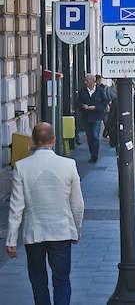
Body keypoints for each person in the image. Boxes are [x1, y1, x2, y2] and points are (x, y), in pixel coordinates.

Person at [6, 122, 84, 305]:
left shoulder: (21, 167)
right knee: (62, 280)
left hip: (34, 233)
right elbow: (78, 204)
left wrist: (11, 239)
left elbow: (16, 206)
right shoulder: (69, 164)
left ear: (33, 140)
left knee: (38, 280)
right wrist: (76, 231)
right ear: (54, 139)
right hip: (62, 231)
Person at [78, 74, 108, 162]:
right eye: (85, 80)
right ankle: (92, 153)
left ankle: (95, 155)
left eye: (87, 81)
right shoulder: (82, 91)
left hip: (97, 116)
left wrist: (95, 107)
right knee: (90, 137)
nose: (85, 82)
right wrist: (83, 106)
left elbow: (104, 103)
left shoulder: (100, 90)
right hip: (86, 117)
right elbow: (78, 102)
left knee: (95, 136)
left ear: (92, 81)